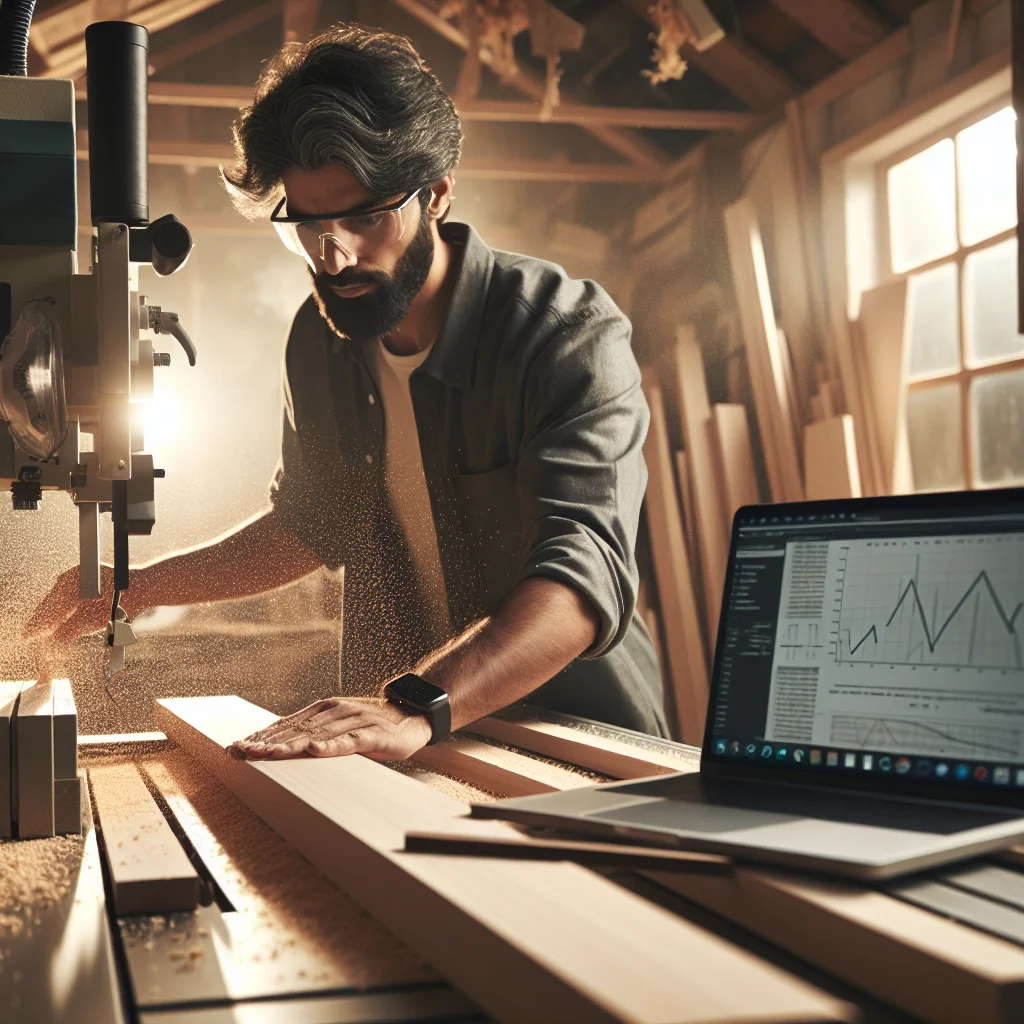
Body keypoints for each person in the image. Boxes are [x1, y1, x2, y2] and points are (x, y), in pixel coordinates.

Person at [26, 24, 667, 760]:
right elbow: (311, 523)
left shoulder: (563, 333)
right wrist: (131, 586)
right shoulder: (321, 339)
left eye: (365, 217)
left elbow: (579, 581)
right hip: (413, 744)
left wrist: (415, 703)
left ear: (437, 194)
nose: (334, 254)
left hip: (579, 746)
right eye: (306, 223)